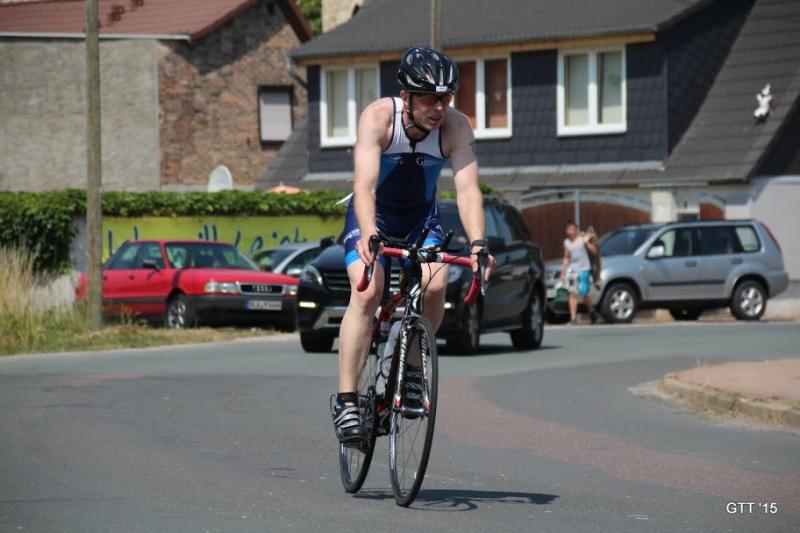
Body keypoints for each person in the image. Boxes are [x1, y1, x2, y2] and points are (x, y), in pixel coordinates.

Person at [331, 47, 496, 445]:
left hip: (421, 219)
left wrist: (478, 245)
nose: (439, 108)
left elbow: (467, 190)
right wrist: (369, 233)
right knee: (367, 292)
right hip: (374, 215)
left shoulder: (456, 126)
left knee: (437, 283)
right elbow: (364, 186)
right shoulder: (378, 119)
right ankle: (347, 400)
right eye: (428, 99)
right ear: (405, 96)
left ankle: (413, 370)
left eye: (446, 98)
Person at [560, 221, 598, 325]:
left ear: (576, 230)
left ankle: (592, 311)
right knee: (572, 293)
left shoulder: (582, 239)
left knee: (583, 293)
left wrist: (587, 242)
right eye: (568, 229)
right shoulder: (566, 242)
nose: (570, 231)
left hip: (584, 270)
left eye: (572, 229)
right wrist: (563, 272)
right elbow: (566, 257)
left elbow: (594, 251)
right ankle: (573, 318)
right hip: (572, 271)